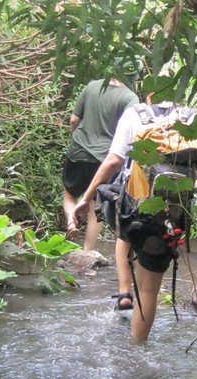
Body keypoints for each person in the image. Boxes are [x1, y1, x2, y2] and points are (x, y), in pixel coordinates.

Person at [72, 87, 197, 342]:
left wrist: (85, 198)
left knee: (123, 228)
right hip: (169, 215)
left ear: (148, 94)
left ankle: (125, 291)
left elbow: (113, 161)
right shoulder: (192, 118)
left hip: (133, 210)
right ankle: (137, 348)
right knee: (149, 289)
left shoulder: (134, 114)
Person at [62, 62, 140, 253]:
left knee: (70, 193)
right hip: (106, 157)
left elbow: (73, 120)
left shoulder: (92, 86)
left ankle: (71, 220)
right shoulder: (131, 98)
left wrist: (78, 139)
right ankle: (87, 251)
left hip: (78, 150)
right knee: (95, 203)